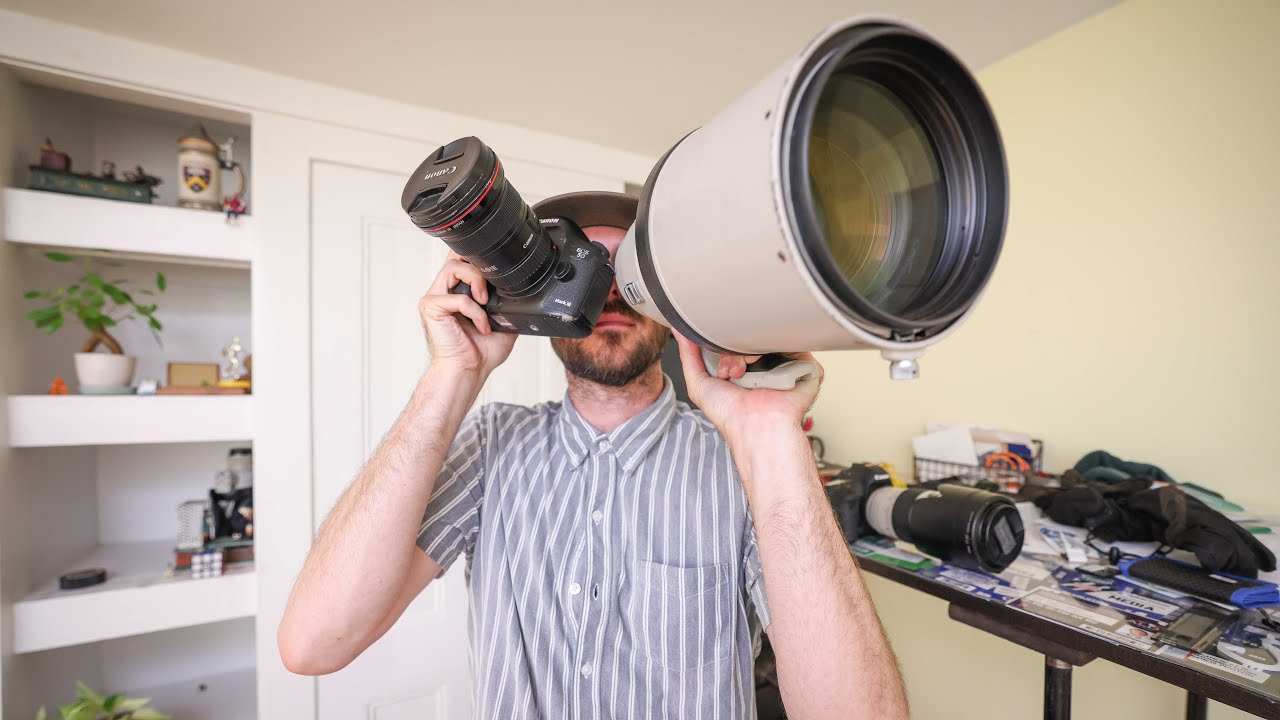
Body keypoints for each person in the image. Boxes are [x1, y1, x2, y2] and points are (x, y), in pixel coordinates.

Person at [278, 192, 907, 719]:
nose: (607, 291)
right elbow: (314, 643)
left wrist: (774, 437)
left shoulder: (742, 460)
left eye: (629, 273)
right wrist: (453, 374)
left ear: (669, 303)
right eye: (576, 269)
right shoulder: (493, 445)